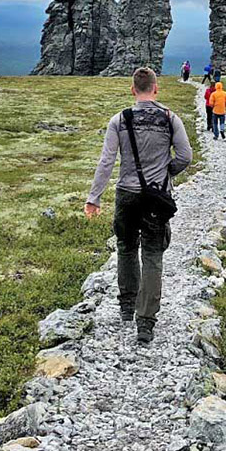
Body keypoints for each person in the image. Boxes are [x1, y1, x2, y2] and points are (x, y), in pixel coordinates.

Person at [85, 67, 193, 344]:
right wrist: (166, 173)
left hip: (126, 195)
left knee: (126, 247)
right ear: (156, 88)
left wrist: (93, 198)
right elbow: (185, 156)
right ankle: (146, 323)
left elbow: (106, 161)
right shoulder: (170, 118)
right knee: (153, 255)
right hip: (156, 197)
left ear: (133, 90)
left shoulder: (119, 120)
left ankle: (126, 306)